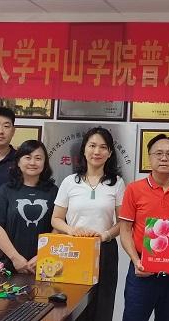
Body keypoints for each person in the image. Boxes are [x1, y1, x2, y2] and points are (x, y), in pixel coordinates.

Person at [119, 133, 169, 321]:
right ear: (149, 157)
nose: (164, 158)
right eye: (159, 153)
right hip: (142, 270)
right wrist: (136, 260)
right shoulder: (134, 189)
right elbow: (125, 230)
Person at [51, 127, 125, 321]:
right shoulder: (70, 182)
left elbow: (122, 223)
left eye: (103, 147)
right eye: (92, 146)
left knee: (102, 306)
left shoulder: (117, 183)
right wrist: (72, 230)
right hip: (73, 250)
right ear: (84, 149)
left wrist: (104, 235)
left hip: (105, 251)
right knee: (71, 305)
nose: (97, 151)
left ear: (110, 153)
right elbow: (56, 219)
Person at [0, 140, 57, 274]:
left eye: (38, 158)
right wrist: (15, 258)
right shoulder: (6, 190)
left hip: (45, 265)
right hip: (9, 265)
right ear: (18, 162)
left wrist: (42, 255)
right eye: (27, 157)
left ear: (45, 163)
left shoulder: (53, 191)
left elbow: (58, 227)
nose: (33, 162)